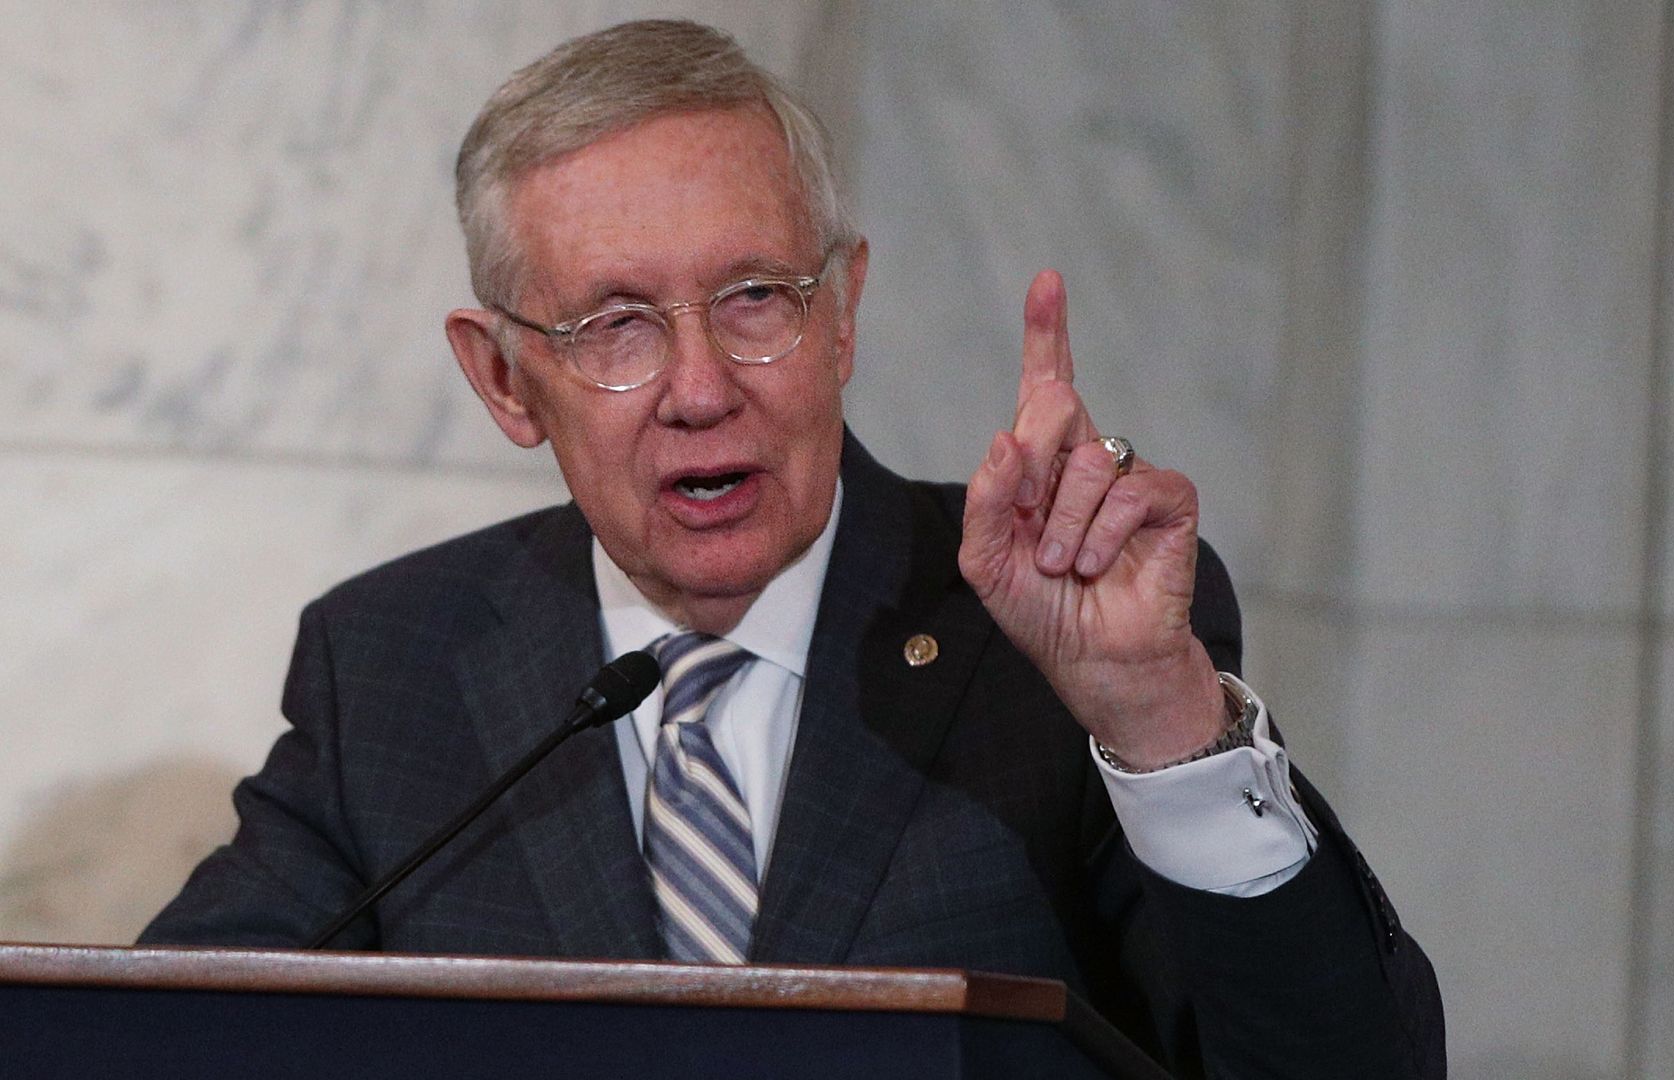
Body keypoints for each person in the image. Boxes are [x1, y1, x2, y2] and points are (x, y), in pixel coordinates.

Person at [143, 19, 1443, 1077]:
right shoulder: (393, 667)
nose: (701, 386)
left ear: (845, 313)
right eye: (615, 324)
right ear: (503, 379)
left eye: (755, 297)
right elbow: (149, 1044)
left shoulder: (1052, 630)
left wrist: (1162, 723)